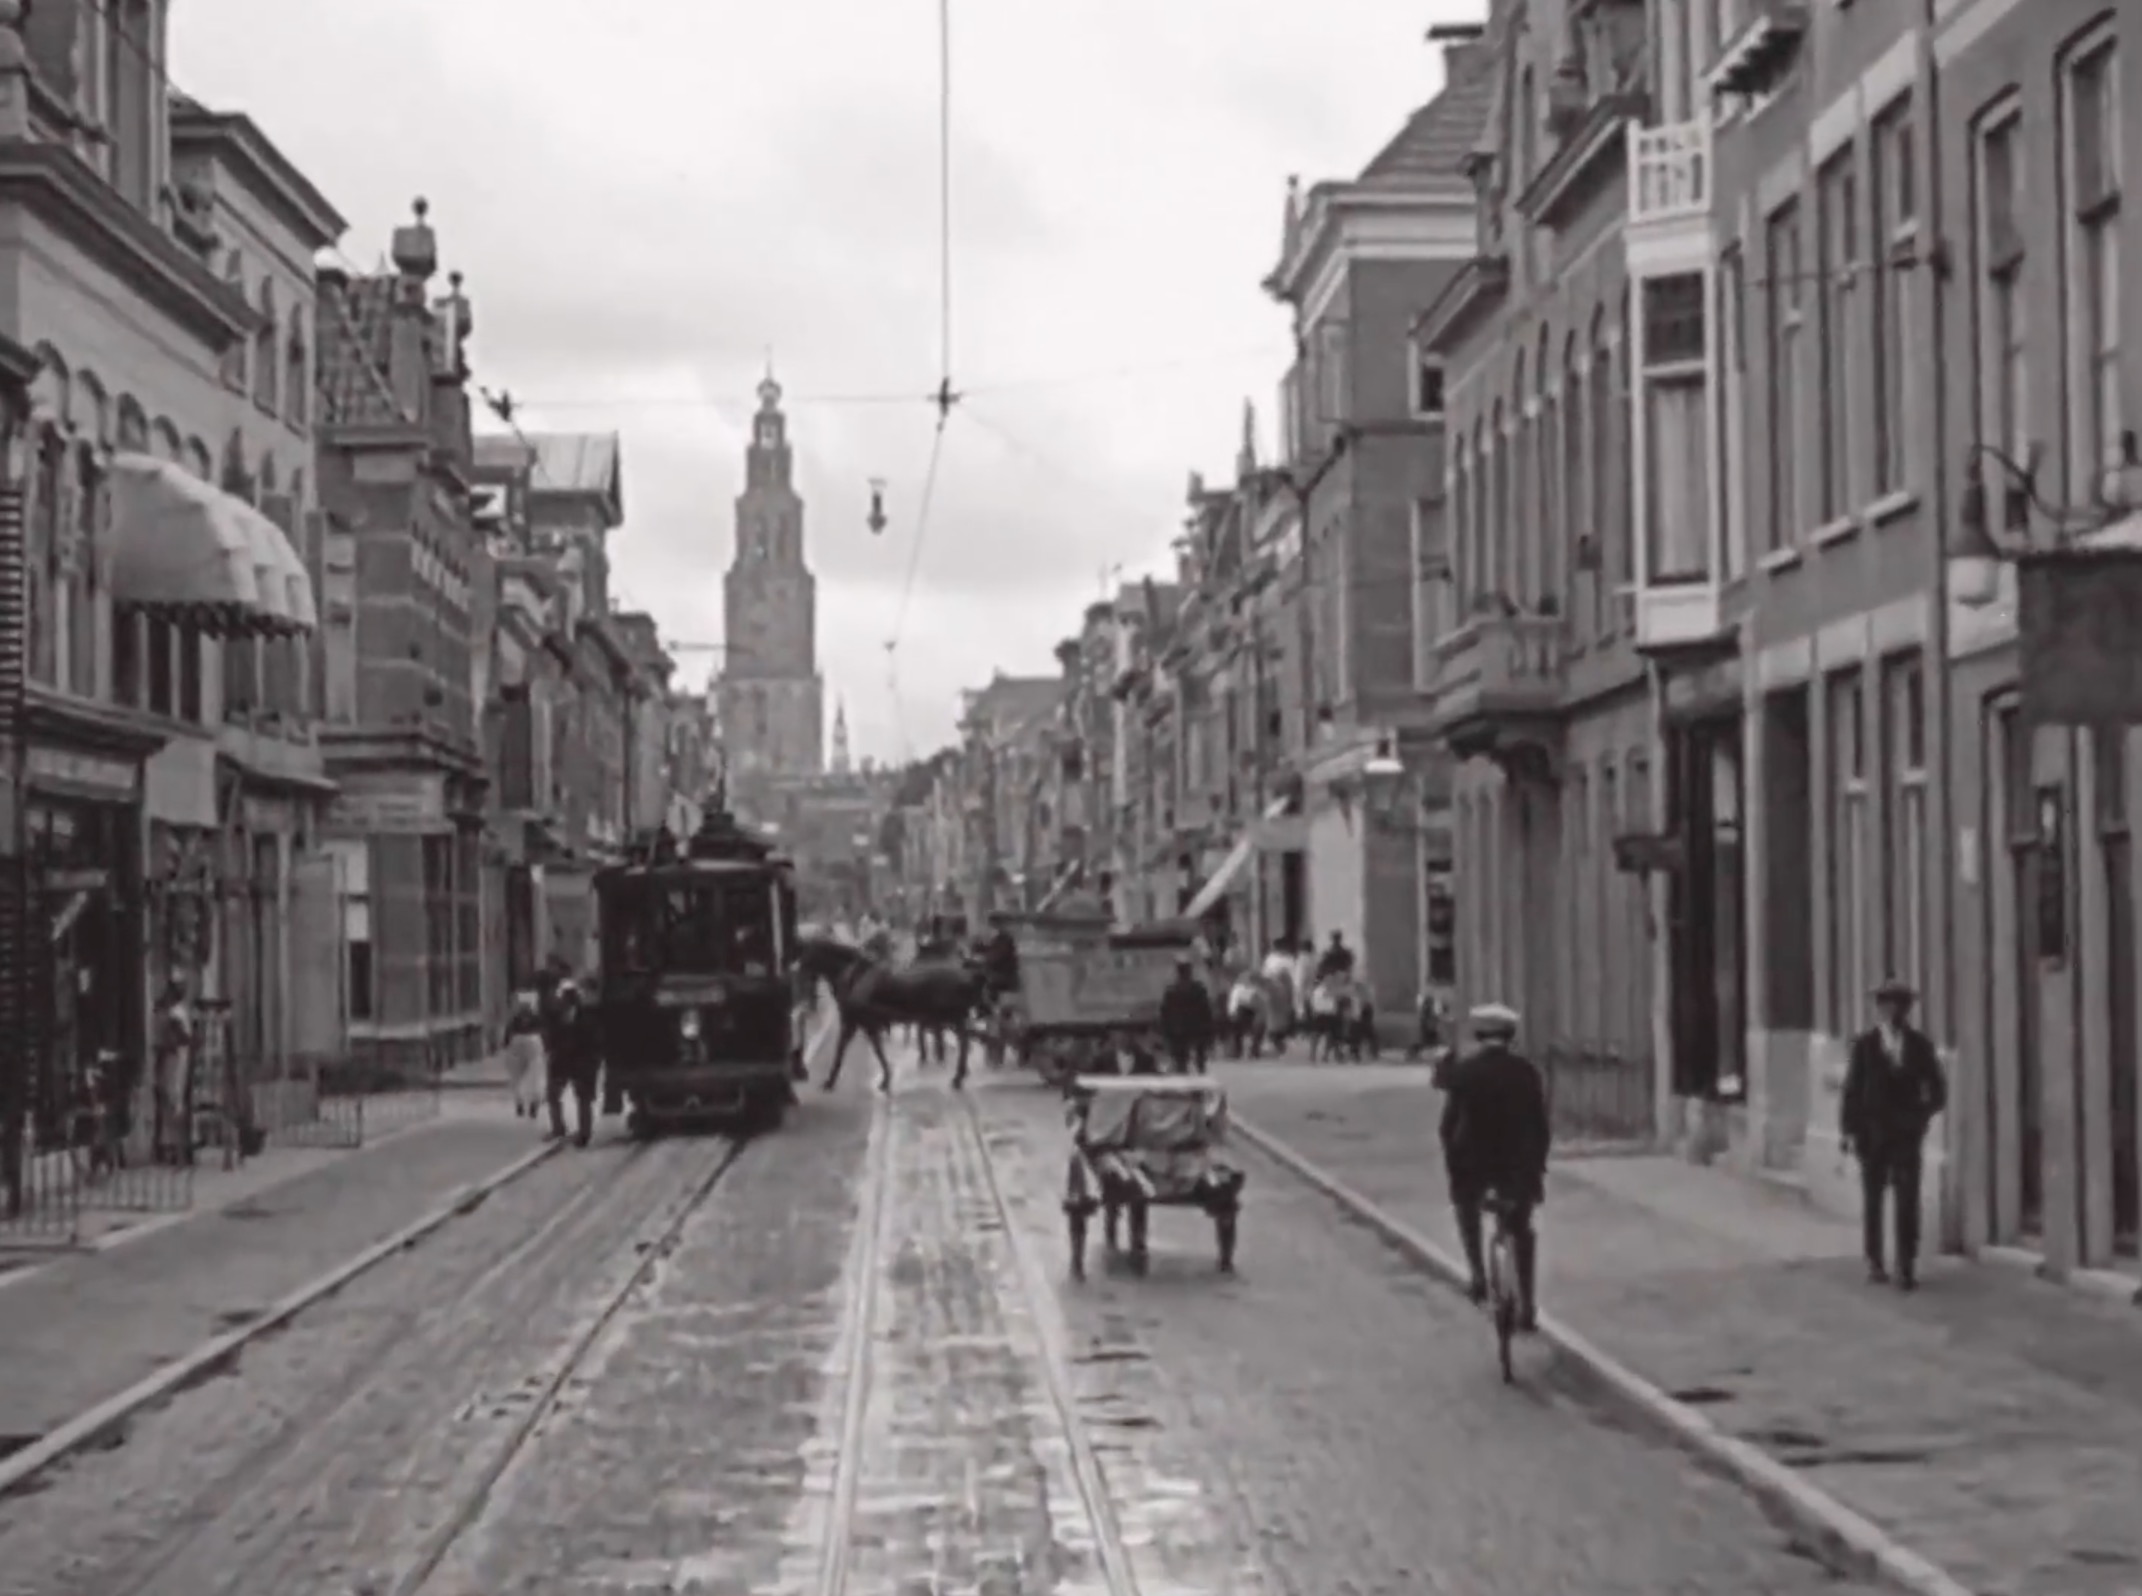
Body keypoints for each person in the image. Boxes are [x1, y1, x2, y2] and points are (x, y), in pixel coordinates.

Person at [1439, 1002, 1552, 1329]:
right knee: (1521, 1227)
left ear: (1478, 1034)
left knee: (1466, 1207)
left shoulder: (1465, 1073)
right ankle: (1528, 1305)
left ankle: (1477, 1275)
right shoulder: (1527, 1073)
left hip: (1475, 1166)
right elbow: (1540, 1127)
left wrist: (1453, 1162)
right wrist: (1537, 1167)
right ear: (1511, 1036)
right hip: (1516, 1167)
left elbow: (1448, 1126)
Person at [1840, 976, 1947, 1290]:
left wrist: (1923, 1115)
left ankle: (1906, 1265)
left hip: (1905, 1135)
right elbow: (1852, 1090)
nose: (1892, 1011)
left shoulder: (1919, 1046)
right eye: (1886, 1004)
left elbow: (1938, 1088)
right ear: (1879, 1009)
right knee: (1873, 1200)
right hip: (1871, 1135)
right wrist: (1848, 1131)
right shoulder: (1865, 1046)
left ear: (1907, 1009)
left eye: (1899, 1004)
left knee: (1907, 1200)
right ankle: (1874, 1260)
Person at [1158, 955, 1215, 1074]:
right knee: (1197, 1061)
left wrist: (1166, 1032)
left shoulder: (1172, 990)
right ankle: (1198, 1079)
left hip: (1180, 1030)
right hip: (1194, 1029)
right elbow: (1206, 1011)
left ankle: (1188, 1081)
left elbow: (1165, 1014)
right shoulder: (1198, 989)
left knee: (1182, 1062)